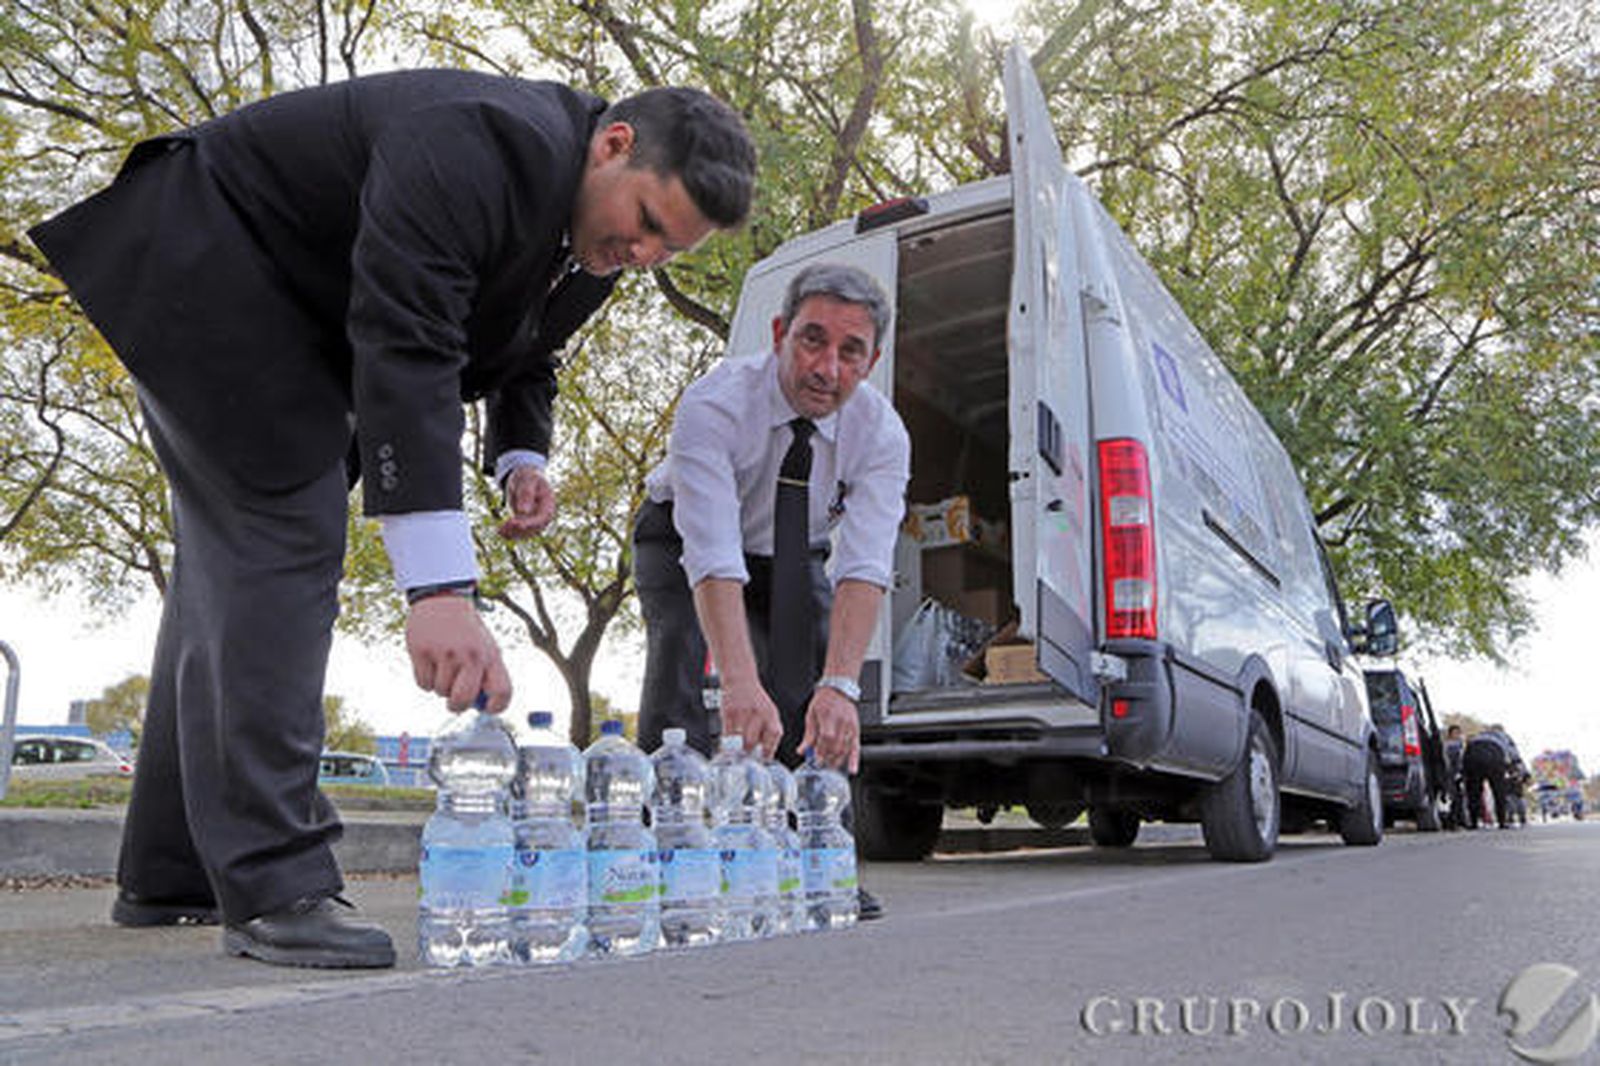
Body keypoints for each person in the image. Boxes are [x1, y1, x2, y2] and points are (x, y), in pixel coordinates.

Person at [28, 73, 756, 969]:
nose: (643, 253)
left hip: (304, 331)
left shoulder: (594, 236)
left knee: (227, 578)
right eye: (646, 222)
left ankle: (171, 869)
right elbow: (408, 340)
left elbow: (527, 343)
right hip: (214, 265)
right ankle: (277, 882)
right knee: (284, 538)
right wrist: (439, 589)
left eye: (667, 250)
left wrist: (520, 454)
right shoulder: (483, 142)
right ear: (614, 144)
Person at [633, 263, 909, 918]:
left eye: (851, 352)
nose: (827, 369)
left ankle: (814, 853)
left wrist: (840, 686)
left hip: (792, 552)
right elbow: (712, 552)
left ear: (871, 362)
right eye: (813, 341)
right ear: (781, 332)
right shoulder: (715, 403)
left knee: (807, 684)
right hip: (683, 542)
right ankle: (667, 854)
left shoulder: (882, 434)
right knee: (685, 676)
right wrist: (736, 680)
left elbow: (864, 565)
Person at [1462, 724, 1524, 830]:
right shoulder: (1503, 736)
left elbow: (1465, 751)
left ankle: (1473, 822)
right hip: (1494, 756)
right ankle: (1502, 821)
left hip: (1473, 754)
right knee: (1499, 790)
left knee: (1474, 790)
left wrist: (1463, 771)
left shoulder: (1479, 735)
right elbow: (1513, 753)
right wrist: (1517, 769)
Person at [1442, 724, 1466, 830]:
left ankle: (1455, 822)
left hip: (1452, 774)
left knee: (1456, 798)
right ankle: (1453, 822)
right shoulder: (1454, 745)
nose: (1457, 735)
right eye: (1455, 733)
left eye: (1458, 733)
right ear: (1450, 733)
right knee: (1455, 798)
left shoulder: (1447, 745)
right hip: (1452, 774)